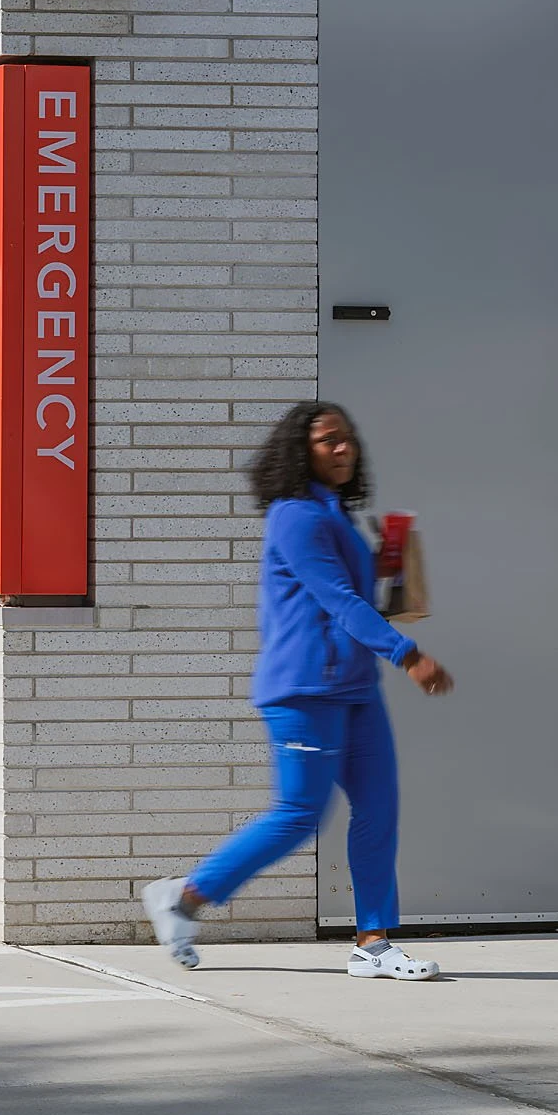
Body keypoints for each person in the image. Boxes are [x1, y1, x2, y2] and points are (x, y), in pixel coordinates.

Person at [142, 402, 455, 981]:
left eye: (348, 439)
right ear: (300, 452)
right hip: (305, 689)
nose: (343, 449)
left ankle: (373, 943)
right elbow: (338, 600)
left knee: (379, 809)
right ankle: (184, 898)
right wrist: (407, 655)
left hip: (354, 687)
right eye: (328, 440)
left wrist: (390, 564)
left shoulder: (336, 513)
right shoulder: (296, 517)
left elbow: (353, 599)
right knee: (298, 812)